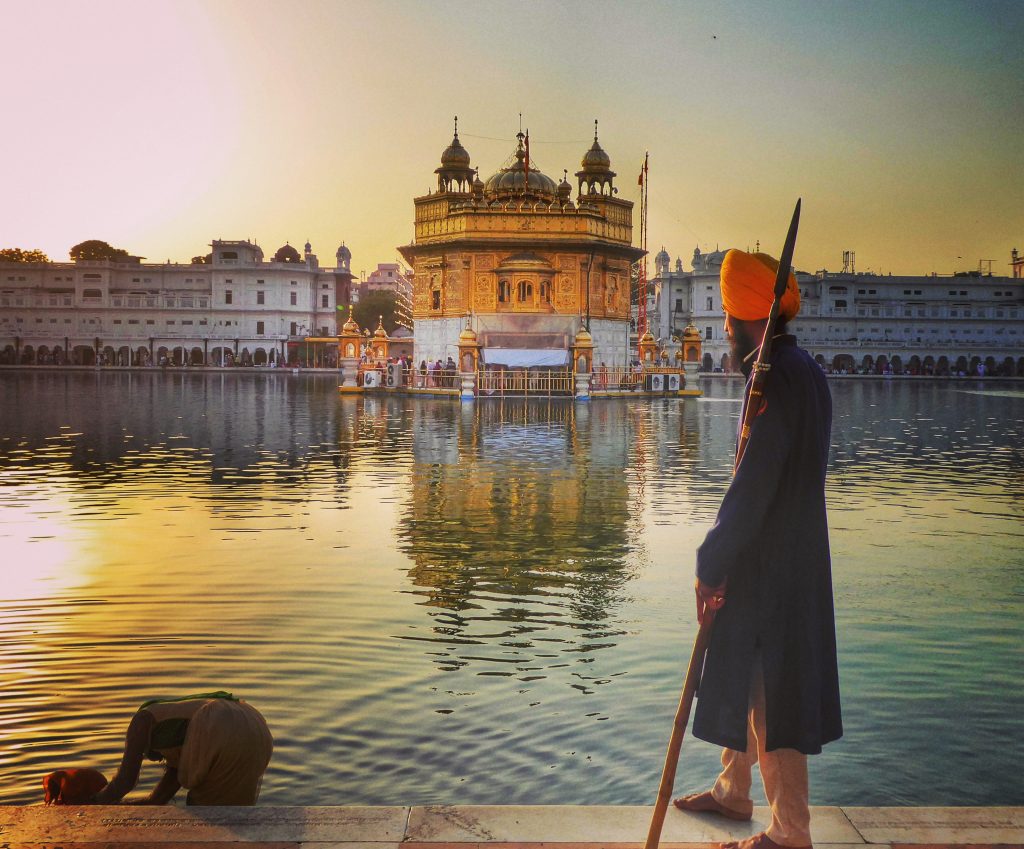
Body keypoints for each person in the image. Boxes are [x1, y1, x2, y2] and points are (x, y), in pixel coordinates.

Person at [673, 250, 842, 849]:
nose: (723, 328)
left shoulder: (775, 380)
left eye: (728, 316)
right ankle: (731, 790)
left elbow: (755, 483)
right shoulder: (803, 371)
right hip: (783, 553)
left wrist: (709, 561)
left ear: (750, 320)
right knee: (743, 668)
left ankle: (790, 830)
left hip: (773, 564)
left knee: (773, 692)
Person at [91, 691, 273, 806]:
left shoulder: (141, 720)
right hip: (255, 725)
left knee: (206, 816)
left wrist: (91, 804)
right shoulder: (187, 744)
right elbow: (157, 800)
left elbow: (125, 782)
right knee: (233, 816)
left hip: (218, 725)